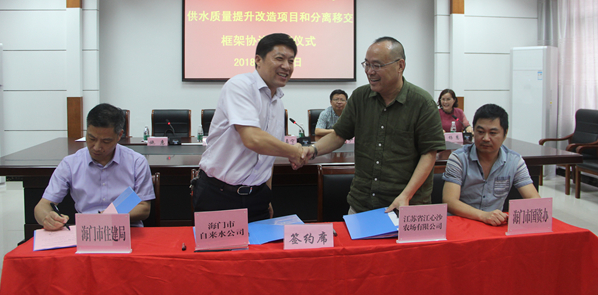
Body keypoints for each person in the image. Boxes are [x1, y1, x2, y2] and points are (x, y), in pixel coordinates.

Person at [302, 37, 445, 214]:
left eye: (377, 65)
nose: (369, 71)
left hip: (407, 205)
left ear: (400, 65)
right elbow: (339, 135)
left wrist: (406, 195)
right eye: (367, 64)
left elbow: (429, 154)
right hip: (362, 204)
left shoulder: (422, 103)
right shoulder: (359, 97)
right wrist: (312, 150)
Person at [193, 33, 304, 222]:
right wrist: (294, 151)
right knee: (220, 245)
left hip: (257, 197)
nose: (286, 66)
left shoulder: (278, 103)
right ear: (258, 60)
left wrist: (266, 195)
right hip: (219, 196)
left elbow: (268, 156)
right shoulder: (240, 86)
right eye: (279, 58)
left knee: (262, 243)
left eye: (291, 61)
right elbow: (253, 139)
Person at [34, 103, 155, 231]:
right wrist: (48, 218)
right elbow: (42, 206)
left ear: (119, 135)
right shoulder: (70, 163)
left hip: (127, 229)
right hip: (87, 231)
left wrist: (110, 217)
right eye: (91, 138)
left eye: (106, 141)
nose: (96, 147)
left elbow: (144, 207)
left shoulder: (136, 162)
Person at [442, 104, 540, 226]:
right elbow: (450, 201)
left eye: (493, 133)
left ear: (505, 133)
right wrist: (483, 216)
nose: (486, 138)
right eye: (480, 132)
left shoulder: (514, 161)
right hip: (461, 224)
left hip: (494, 225)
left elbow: (534, 199)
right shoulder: (459, 158)